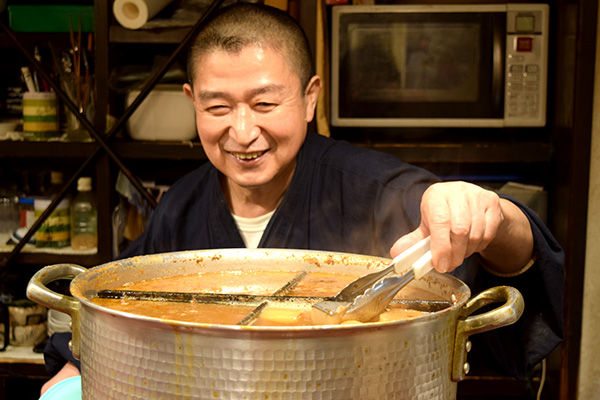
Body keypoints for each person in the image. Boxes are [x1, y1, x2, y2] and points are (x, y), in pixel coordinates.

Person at [42, 2, 564, 395]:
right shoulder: (184, 201)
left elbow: (511, 258)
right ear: (191, 102)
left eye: (265, 102)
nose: (242, 132)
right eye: (217, 106)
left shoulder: (372, 189)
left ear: (310, 97)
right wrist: (74, 365)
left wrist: (494, 216)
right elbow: (118, 298)